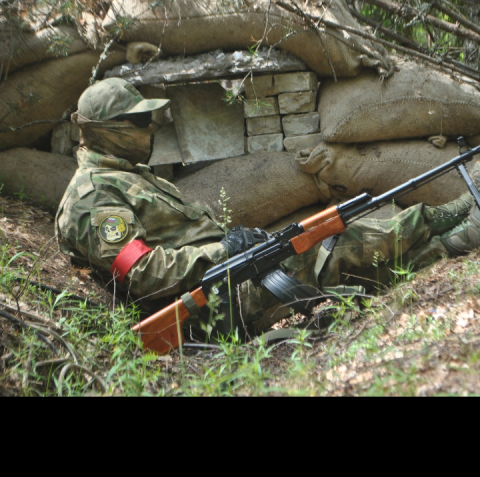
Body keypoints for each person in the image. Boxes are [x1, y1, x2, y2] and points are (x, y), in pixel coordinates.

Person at [56, 78, 480, 335]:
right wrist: (225, 251)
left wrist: (234, 249)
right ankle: (440, 220)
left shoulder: (128, 175)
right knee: (324, 246)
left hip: (224, 280)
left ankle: (452, 241)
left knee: (320, 246)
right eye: (138, 122)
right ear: (108, 132)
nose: (149, 128)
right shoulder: (96, 197)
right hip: (209, 304)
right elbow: (143, 273)